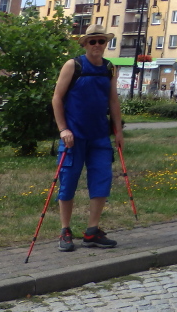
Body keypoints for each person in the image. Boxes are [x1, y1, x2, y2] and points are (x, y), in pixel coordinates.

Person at [51, 25, 124, 252]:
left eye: (102, 41)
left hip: (100, 136)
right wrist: (63, 129)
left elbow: (113, 100)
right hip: (73, 136)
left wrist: (118, 130)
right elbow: (57, 98)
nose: (97, 45)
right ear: (84, 44)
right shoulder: (73, 65)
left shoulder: (109, 68)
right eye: (92, 41)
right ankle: (65, 230)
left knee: (102, 181)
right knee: (68, 182)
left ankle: (92, 231)